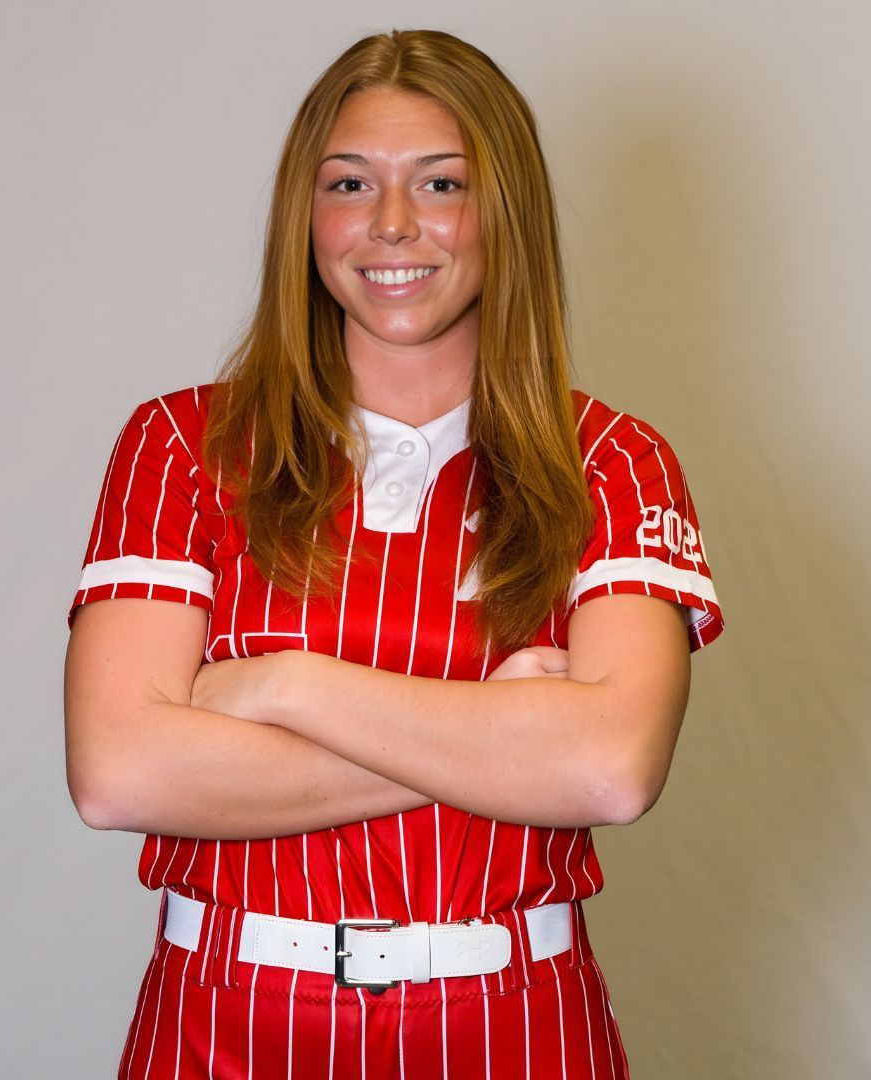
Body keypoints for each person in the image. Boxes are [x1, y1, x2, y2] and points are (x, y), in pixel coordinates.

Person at [63, 28, 724, 1080]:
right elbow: (119, 772)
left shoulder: (613, 461)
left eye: (442, 183)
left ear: (502, 210)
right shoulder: (183, 446)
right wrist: (501, 739)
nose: (391, 225)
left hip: (515, 1025)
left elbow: (606, 768)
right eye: (350, 182)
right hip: (227, 1022)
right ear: (305, 213)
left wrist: (279, 685)